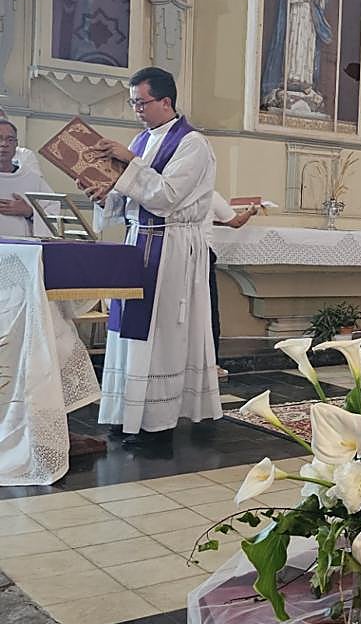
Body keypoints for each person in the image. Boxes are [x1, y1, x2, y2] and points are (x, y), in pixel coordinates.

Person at [80, 66, 221, 441]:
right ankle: (127, 410)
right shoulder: (141, 141)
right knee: (129, 330)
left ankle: (157, 418)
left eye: (140, 103)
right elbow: (130, 193)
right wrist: (105, 193)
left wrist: (128, 164)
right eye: (132, 103)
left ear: (165, 101)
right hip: (137, 242)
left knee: (160, 333)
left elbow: (166, 196)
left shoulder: (192, 144)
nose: (136, 111)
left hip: (170, 246)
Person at [206, 192, 258, 379]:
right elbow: (235, 222)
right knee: (208, 312)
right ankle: (211, 364)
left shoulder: (178, 192)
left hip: (177, 252)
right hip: (202, 254)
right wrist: (250, 212)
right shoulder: (209, 194)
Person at [0, 119, 54, 238]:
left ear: (16, 144)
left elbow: (53, 213)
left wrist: (29, 212)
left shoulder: (32, 179)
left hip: (22, 250)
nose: (4, 144)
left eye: (10, 139)